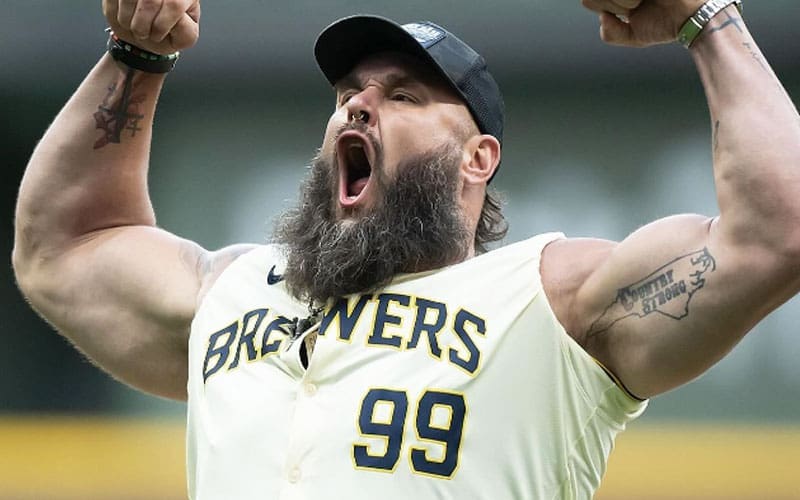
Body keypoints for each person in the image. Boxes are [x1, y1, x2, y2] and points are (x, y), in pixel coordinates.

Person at [12, 0, 800, 498]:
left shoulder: (547, 301)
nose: (359, 103)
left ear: (477, 160)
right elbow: (63, 245)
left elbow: (778, 233)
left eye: (405, 96)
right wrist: (138, 55)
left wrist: (707, 17)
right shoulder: (236, 290)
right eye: (349, 92)